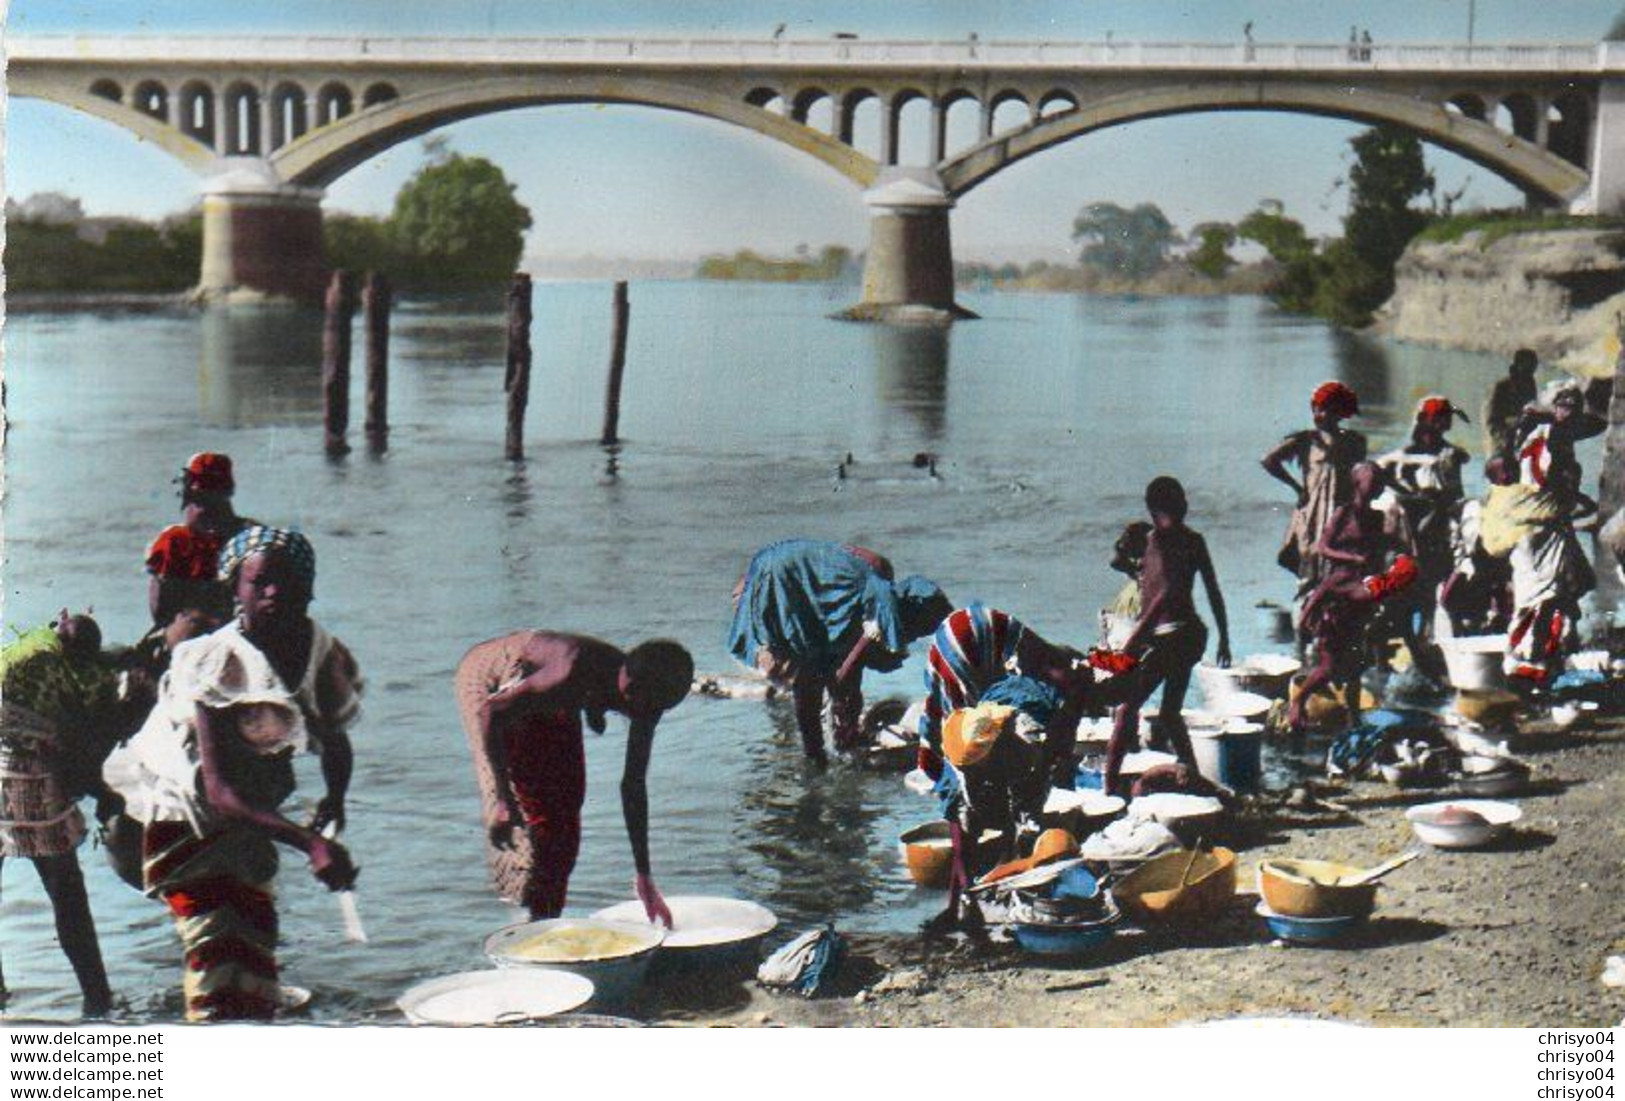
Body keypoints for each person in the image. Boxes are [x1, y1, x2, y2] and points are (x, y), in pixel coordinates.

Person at [104, 526, 361, 1021]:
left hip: (250, 804)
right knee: (211, 941)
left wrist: (336, 799)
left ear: (309, 587)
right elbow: (217, 791)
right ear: (234, 590)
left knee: (255, 938)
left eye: (286, 581)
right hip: (184, 812)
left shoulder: (321, 650)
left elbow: (335, 735)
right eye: (258, 582)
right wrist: (312, 843)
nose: (273, 593)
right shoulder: (215, 658)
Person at [456, 631, 694, 923]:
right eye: (642, 707)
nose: (647, 717)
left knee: (567, 806)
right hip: (491, 680)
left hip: (550, 697)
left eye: (658, 710)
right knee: (532, 816)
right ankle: (525, 925)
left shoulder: (650, 696)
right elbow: (491, 710)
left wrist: (644, 876)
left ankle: (544, 922)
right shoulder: (568, 672)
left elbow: (633, 783)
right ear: (628, 686)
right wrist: (502, 798)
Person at [727, 539, 950, 763]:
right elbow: (847, 670)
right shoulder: (877, 604)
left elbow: (849, 662)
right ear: (913, 617)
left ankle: (816, 750)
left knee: (817, 667)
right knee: (807, 673)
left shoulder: (878, 589)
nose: (915, 637)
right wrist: (843, 711)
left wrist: (844, 707)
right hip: (784, 581)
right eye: (919, 631)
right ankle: (815, 756)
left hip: (788, 569)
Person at [0, 611, 120, 1017]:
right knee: (66, 891)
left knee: (66, 892)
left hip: (15, 761)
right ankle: (98, 999)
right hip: (27, 772)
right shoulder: (85, 677)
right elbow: (87, 739)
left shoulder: (26, 653)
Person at [1104, 477, 1232, 797]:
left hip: (1171, 637)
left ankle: (1107, 789)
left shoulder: (1166, 541)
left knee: (1126, 710)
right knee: (1170, 713)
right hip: (1188, 637)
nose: (1182, 510)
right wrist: (1137, 569)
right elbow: (1118, 560)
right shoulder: (1161, 540)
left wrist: (1133, 641)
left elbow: (1171, 593)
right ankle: (1196, 779)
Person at [1287, 464, 1416, 732]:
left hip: (1359, 596)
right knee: (1328, 665)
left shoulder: (1377, 517)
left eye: (1379, 482)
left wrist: (1396, 545)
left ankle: (1353, 721)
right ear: (1357, 483)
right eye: (1371, 480)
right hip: (1336, 594)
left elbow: (1379, 547)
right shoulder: (1343, 513)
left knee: (1356, 665)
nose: (1376, 486)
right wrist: (1353, 558)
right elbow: (1323, 547)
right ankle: (1298, 701)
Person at [1502, 384, 1603, 682]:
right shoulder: (1555, 437)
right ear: (1556, 408)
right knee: (1544, 596)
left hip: (1535, 523)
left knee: (1570, 585)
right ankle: (1526, 664)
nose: (1571, 415)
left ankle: (1546, 656)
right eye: (1565, 407)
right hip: (1542, 527)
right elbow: (1556, 482)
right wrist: (1575, 500)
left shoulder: (1533, 433)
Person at [1373, 397, 1470, 675]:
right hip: (1405, 535)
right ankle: (1396, 657)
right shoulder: (1401, 458)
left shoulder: (1448, 457)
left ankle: (1424, 652)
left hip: (1435, 536)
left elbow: (1454, 497)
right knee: (1400, 594)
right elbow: (1383, 483)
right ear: (1429, 421)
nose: (1447, 422)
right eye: (1442, 417)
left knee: (1428, 595)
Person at [1262, 381, 1368, 610]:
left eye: (1327, 410)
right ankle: (1306, 618)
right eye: (1317, 409)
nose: (1320, 415)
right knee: (1309, 562)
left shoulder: (1354, 441)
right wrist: (1296, 487)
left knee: (1338, 564)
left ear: (1340, 412)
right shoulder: (1305, 440)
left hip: (1340, 510)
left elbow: (1362, 474)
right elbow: (1269, 461)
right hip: (1313, 511)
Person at [144, 453, 256, 628]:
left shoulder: (173, 542)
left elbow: (160, 613)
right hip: (231, 630)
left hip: (190, 634)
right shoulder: (252, 535)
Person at [1483, 349, 1539, 461]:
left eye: (1534, 366)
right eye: (1529, 366)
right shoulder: (1501, 387)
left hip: (1521, 442)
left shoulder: (1529, 385)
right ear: (1518, 365)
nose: (1532, 370)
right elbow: (1491, 422)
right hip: (1501, 444)